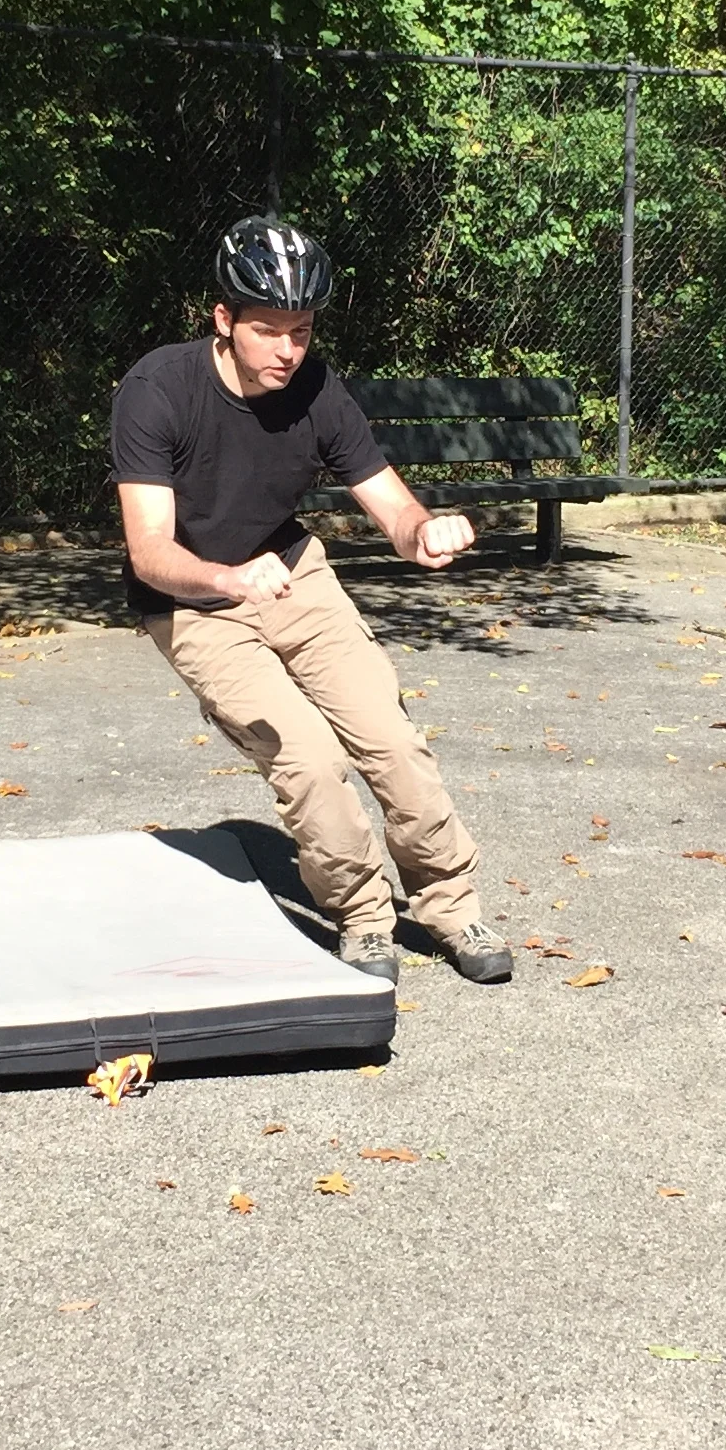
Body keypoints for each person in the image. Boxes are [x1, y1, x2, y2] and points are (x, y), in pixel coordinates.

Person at [110, 217, 512, 987]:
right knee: (309, 759)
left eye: (302, 330)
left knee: (391, 743)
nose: (288, 350)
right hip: (193, 603)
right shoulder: (156, 391)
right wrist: (228, 578)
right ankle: (363, 916)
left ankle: (450, 904)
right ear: (223, 320)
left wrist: (421, 531)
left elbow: (390, 506)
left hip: (296, 576)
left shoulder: (318, 390)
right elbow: (150, 552)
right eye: (269, 330)